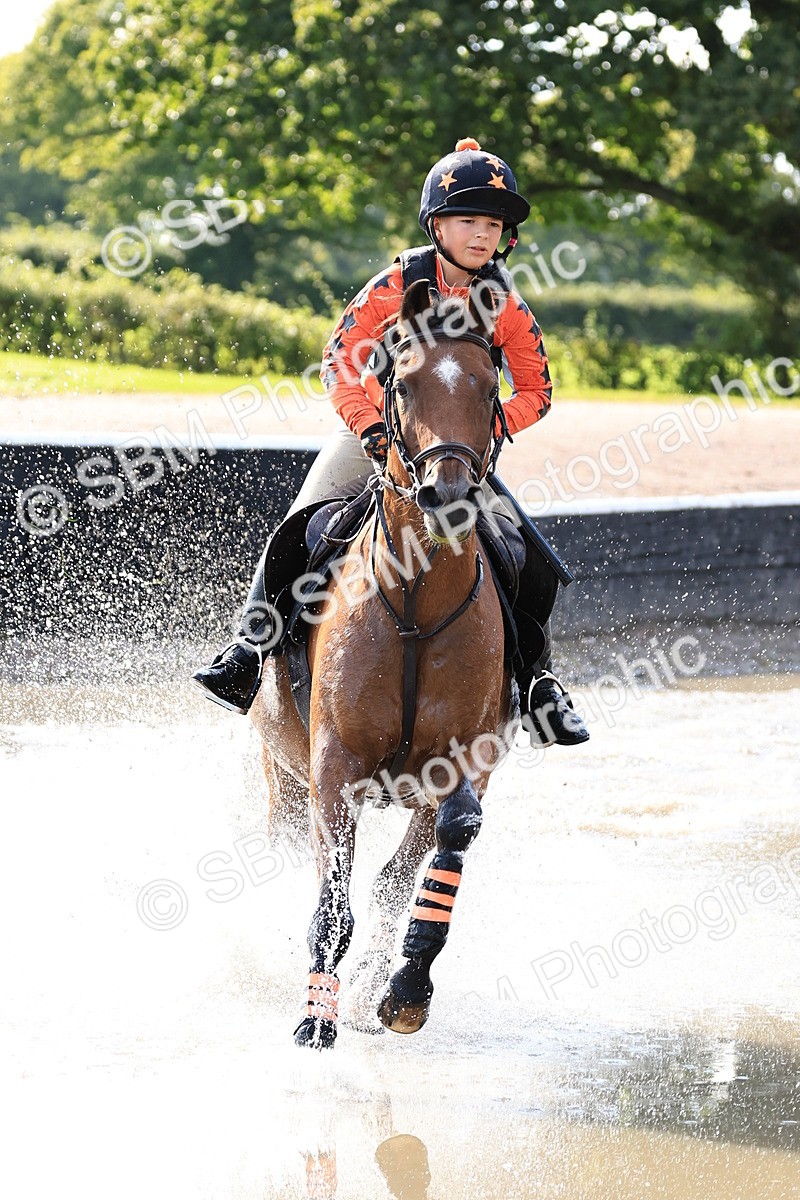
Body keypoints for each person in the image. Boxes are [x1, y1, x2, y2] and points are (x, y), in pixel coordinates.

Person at [192, 137, 589, 749]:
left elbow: (537, 389)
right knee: (301, 529)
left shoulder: (506, 305)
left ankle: (538, 683)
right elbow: (339, 365)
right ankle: (249, 652)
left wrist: (484, 432)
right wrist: (375, 430)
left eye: (493, 224)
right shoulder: (394, 284)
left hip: (457, 452)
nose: (481, 235)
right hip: (376, 428)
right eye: (468, 221)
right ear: (438, 224)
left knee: (529, 556)